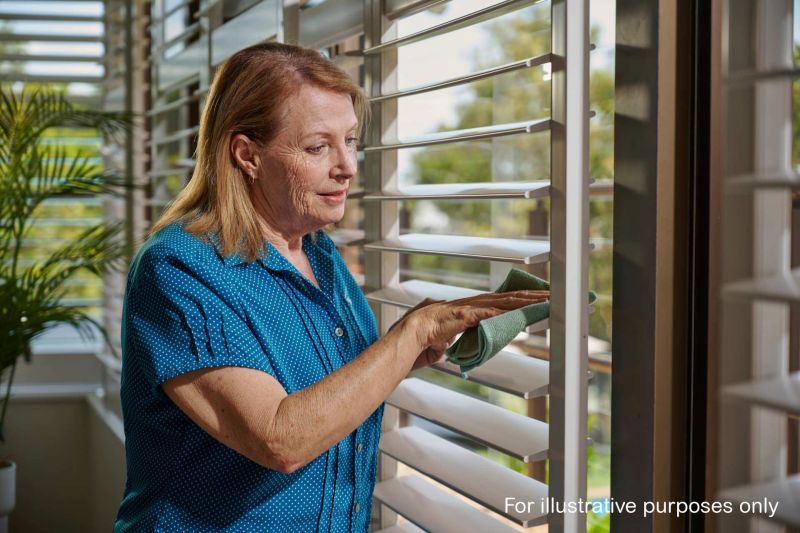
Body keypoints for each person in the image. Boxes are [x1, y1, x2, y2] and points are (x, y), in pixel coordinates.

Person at [113, 41, 548, 532]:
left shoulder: (319, 252)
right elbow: (281, 438)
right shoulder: (180, 269)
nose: (347, 166)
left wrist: (406, 349)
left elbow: (326, 395)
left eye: (350, 141)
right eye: (318, 147)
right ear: (246, 154)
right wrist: (409, 335)